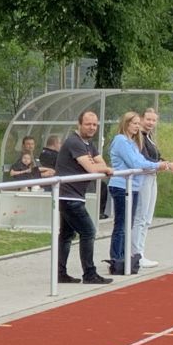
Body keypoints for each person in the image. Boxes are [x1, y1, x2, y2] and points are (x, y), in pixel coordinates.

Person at [105, 111, 173, 276]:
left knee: (128, 224)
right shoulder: (121, 140)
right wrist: (159, 165)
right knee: (122, 225)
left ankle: (127, 258)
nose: (137, 127)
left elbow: (141, 160)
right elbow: (135, 162)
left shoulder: (132, 142)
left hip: (133, 186)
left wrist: (161, 164)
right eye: (135, 123)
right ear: (126, 124)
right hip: (122, 186)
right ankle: (117, 259)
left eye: (138, 124)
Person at [55, 110, 112, 285]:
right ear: (79, 125)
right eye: (88, 124)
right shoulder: (75, 142)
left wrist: (99, 165)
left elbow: (100, 163)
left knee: (66, 234)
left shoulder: (88, 144)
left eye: (95, 124)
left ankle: (60, 273)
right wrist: (102, 168)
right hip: (69, 196)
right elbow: (94, 169)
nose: (92, 127)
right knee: (88, 232)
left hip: (73, 195)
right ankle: (89, 274)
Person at [135, 107, 163, 267]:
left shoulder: (149, 137)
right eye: (148, 119)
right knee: (141, 216)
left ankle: (140, 252)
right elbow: (143, 158)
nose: (151, 123)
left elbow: (156, 156)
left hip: (152, 176)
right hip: (143, 177)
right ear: (141, 119)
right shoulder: (138, 136)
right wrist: (161, 164)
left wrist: (165, 163)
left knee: (147, 218)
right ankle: (136, 254)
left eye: (153, 120)